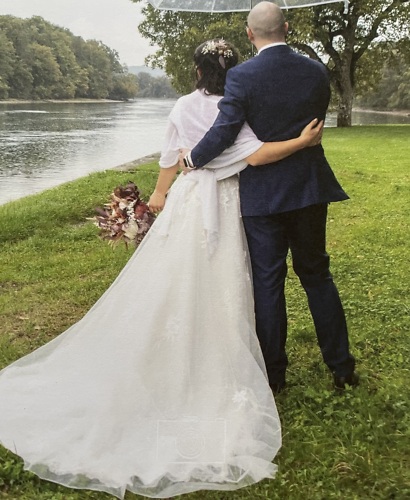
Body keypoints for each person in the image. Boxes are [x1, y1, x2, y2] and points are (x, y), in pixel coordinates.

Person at [0, 39, 322, 500]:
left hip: (192, 202)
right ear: (235, 72)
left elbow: (171, 160)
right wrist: (303, 141)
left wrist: (155, 199)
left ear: (196, 71)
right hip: (228, 202)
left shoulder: (183, 106)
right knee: (226, 278)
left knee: (177, 275)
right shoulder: (237, 106)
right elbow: (256, 155)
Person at [181, 2, 358, 394]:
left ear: (249, 34)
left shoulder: (241, 77)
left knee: (268, 283)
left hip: (263, 195)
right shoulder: (316, 71)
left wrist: (193, 157)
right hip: (310, 187)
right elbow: (313, 123)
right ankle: (342, 367)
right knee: (317, 275)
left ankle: (274, 376)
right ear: (288, 28)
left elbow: (226, 131)